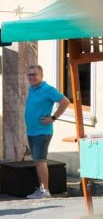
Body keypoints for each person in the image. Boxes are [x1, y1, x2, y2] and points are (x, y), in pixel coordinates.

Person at [24, 64, 70, 199]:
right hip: (32, 131)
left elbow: (65, 101)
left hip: (42, 132)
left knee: (40, 161)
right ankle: (42, 189)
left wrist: (53, 117)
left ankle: (45, 191)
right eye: (29, 74)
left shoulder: (48, 89)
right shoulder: (32, 88)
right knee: (37, 160)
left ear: (41, 75)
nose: (31, 77)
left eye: (34, 74)